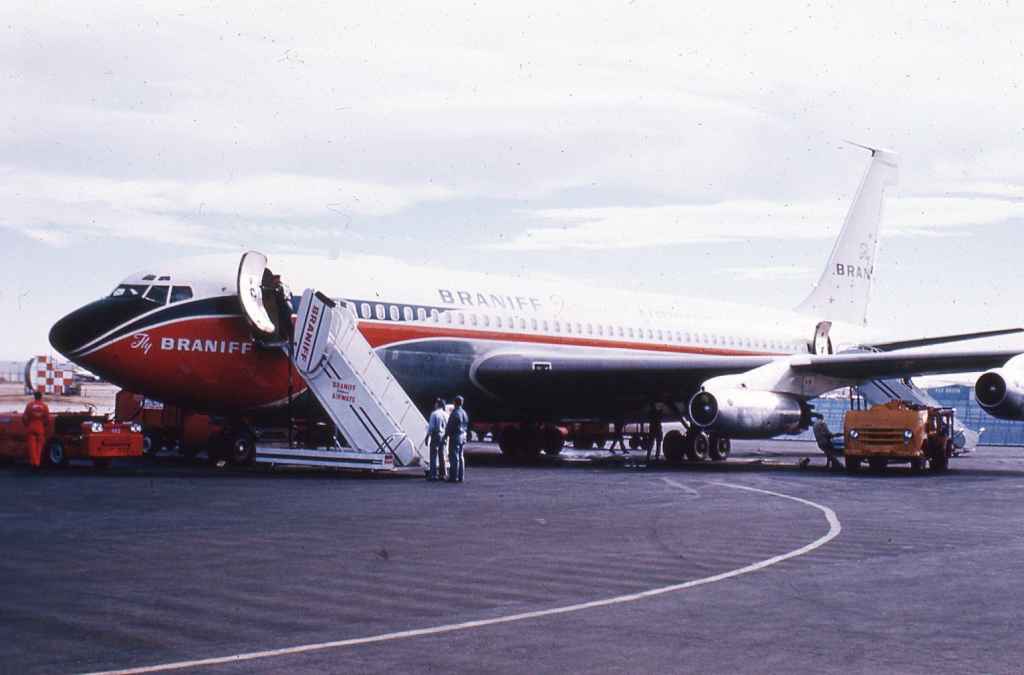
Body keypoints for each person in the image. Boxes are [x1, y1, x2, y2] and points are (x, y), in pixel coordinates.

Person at [22, 391, 50, 471]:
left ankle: (33, 463)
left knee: (32, 447)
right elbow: (47, 419)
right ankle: (37, 463)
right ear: (41, 397)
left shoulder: (29, 405)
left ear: (34, 397)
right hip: (40, 427)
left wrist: (27, 425)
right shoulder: (44, 406)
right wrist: (43, 425)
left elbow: (24, 417)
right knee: (39, 447)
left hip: (31, 426)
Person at [445, 395, 469, 483]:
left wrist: (446, 435)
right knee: (461, 456)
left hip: (456, 436)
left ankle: (453, 477)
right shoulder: (464, 413)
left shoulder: (455, 413)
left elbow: (450, 426)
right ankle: (461, 477)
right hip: (463, 436)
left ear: (455, 402)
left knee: (454, 457)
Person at [424, 398, 448, 481]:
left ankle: (433, 475)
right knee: (442, 455)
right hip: (444, 436)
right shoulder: (446, 414)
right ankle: (443, 474)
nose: (434, 405)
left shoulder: (434, 414)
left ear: (438, 404)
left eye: (435, 403)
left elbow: (431, 427)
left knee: (433, 455)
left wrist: (427, 437)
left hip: (436, 436)